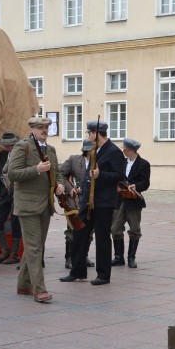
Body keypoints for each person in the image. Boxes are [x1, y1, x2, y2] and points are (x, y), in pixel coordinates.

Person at [7, 116, 68, 302]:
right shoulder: (22, 147)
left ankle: (23, 284)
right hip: (27, 205)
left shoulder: (51, 149)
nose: (44, 130)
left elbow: (57, 172)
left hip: (45, 204)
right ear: (32, 129)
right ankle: (39, 289)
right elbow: (12, 173)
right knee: (34, 248)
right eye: (40, 127)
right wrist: (37, 169)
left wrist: (60, 185)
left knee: (36, 246)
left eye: (46, 127)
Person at [60, 121, 126, 285]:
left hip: (103, 202)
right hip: (87, 201)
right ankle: (77, 271)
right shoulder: (95, 150)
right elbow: (88, 175)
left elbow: (119, 176)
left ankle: (103, 275)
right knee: (79, 234)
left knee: (102, 238)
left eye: (89, 132)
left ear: (96, 133)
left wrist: (100, 175)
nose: (88, 135)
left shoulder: (113, 152)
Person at [111, 138, 150, 269]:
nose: (123, 151)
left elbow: (145, 183)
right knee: (115, 229)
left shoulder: (143, 164)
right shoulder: (121, 162)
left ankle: (131, 258)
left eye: (125, 150)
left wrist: (136, 186)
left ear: (132, 150)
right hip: (119, 199)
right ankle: (118, 257)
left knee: (134, 229)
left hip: (133, 201)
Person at [59, 139, 96, 270]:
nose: (92, 152)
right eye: (91, 150)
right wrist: (70, 188)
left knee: (89, 231)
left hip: (91, 201)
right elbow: (61, 174)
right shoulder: (74, 159)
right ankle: (69, 257)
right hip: (75, 201)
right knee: (72, 229)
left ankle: (83, 256)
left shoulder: (98, 162)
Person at [0, 132, 23, 265]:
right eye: (6, 145)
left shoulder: (21, 154)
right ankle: (5, 250)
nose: (8, 147)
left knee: (16, 222)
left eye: (9, 145)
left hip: (18, 193)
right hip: (4, 193)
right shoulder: (2, 155)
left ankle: (15, 254)